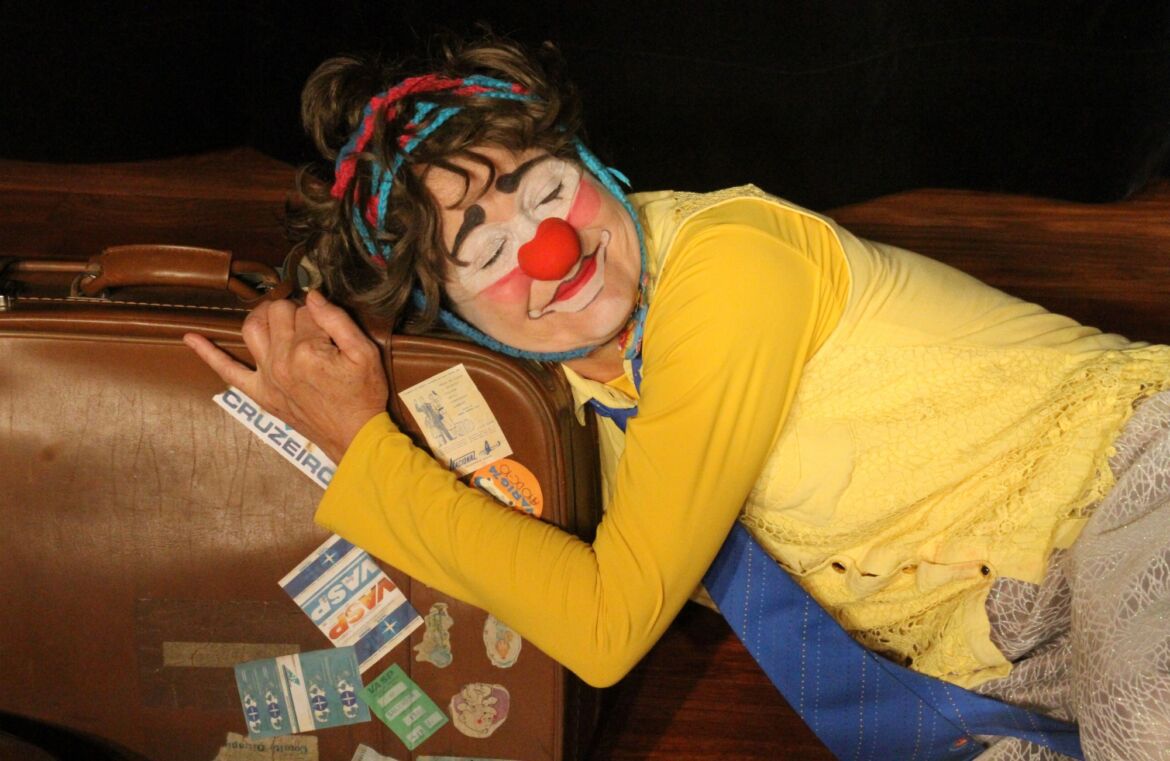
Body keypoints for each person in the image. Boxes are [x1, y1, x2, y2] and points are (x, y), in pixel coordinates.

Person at [183, 33, 1170, 760]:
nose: (551, 247)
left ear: (589, 162)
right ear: (454, 313)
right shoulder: (568, 406)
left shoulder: (729, 266)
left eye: (546, 188)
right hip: (992, 659)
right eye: (484, 250)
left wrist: (363, 448)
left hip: (1127, 484)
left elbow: (605, 621)